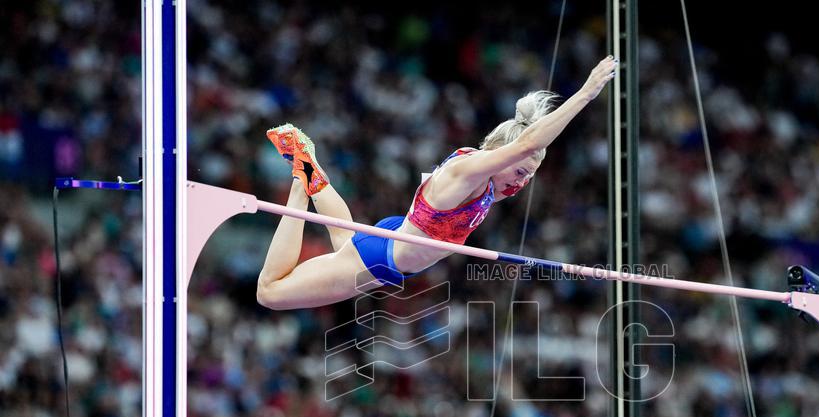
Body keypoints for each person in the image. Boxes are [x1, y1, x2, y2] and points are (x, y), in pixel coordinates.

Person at [256, 56, 619, 310]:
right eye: (521, 172)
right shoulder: (470, 171)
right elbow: (529, 143)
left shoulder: (487, 183)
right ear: (504, 154)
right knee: (270, 293)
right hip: (383, 258)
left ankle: (309, 171)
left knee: (343, 242)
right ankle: (300, 185)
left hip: (395, 243)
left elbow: (526, 148)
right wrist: (586, 93)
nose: (523, 183)